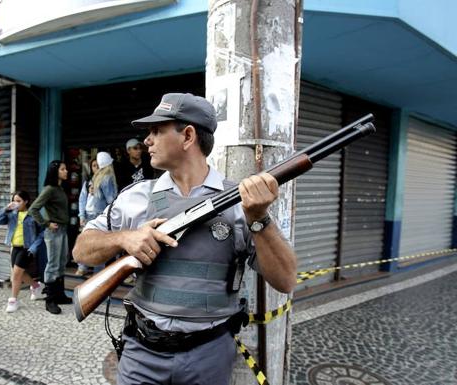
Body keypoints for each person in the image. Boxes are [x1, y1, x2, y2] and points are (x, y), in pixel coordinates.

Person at [73, 93, 297, 385]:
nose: (147, 141)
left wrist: (259, 219)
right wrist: (126, 239)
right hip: (142, 351)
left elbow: (286, 280)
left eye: (157, 131)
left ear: (188, 136)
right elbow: (81, 250)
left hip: (209, 354)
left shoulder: (241, 202)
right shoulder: (136, 197)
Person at [29, 161, 72, 315]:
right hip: (53, 231)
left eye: (65, 168)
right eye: (63, 169)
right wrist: (46, 223)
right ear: (55, 172)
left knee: (61, 263)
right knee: (52, 265)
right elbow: (33, 209)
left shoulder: (59, 188)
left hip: (62, 230)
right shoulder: (49, 190)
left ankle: (59, 295)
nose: (66, 171)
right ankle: (50, 300)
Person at [0, 190, 47, 313]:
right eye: (14, 200)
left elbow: (42, 232)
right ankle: (36, 287)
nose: (15, 203)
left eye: (18, 201)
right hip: (15, 247)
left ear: (26, 201)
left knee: (16, 274)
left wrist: (34, 248)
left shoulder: (33, 214)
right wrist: (6, 209)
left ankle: (13, 301)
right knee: (20, 274)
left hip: (27, 248)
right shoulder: (11, 213)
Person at [75, 152, 118, 276]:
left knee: (93, 244)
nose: (96, 168)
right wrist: (81, 215)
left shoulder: (99, 180)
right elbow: (82, 199)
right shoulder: (91, 181)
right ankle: (87, 269)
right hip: (94, 215)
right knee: (95, 245)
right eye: (93, 165)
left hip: (95, 214)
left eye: (97, 165)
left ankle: (89, 269)